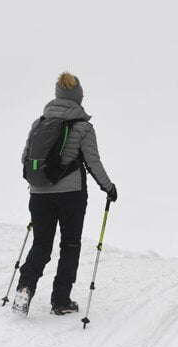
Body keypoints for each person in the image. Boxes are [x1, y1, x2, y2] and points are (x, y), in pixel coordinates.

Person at [14, 72, 117, 316]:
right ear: (78, 97)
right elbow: (93, 163)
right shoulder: (83, 127)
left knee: (41, 244)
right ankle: (60, 300)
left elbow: (24, 159)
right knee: (70, 245)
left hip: (39, 194)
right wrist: (109, 187)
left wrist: (42, 183)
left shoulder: (39, 124)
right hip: (71, 195)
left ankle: (24, 288)